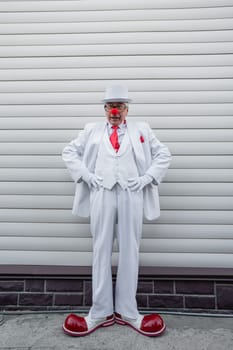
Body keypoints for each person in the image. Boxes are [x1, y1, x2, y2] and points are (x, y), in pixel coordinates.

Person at [62, 84, 171, 337]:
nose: (114, 111)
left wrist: (147, 179)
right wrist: (87, 176)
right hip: (101, 191)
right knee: (100, 248)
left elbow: (163, 154)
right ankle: (100, 312)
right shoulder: (91, 130)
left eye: (119, 106)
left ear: (126, 109)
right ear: (104, 109)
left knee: (130, 248)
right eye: (110, 106)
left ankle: (127, 312)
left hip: (132, 193)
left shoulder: (141, 128)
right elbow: (69, 152)